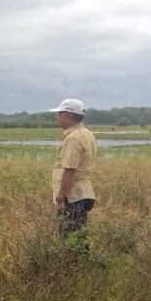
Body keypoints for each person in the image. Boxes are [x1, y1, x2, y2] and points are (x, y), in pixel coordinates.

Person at [49, 98, 97, 236]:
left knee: (69, 240)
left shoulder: (74, 138)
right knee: (78, 239)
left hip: (73, 196)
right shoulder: (87, 133)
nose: (57, 117)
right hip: (84, 193)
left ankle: (73, 259)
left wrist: (61, 197)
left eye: (60, 113)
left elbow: (70, 171)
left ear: (69, 116)